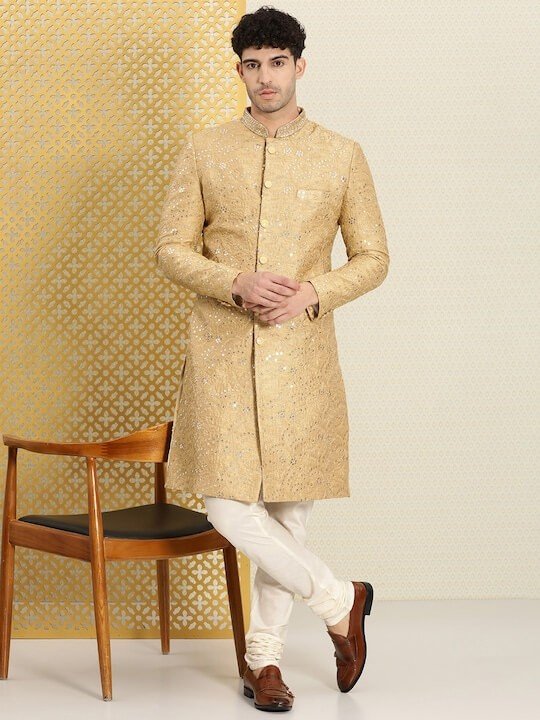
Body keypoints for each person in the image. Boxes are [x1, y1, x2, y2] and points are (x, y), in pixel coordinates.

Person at [154, 6, 389, 712]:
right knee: (228, 506)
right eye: (253, 65)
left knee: (288, 520)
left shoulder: (341, 154)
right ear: (239, 71)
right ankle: (341, 601)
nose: (265, 77)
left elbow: (374, 257)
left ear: (299, 67)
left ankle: (265, 663)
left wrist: (313, 292)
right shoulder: (205, 150)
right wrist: (235, 282)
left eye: (277, 63)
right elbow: (170, 250)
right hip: (222, 355)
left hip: (301, 359)